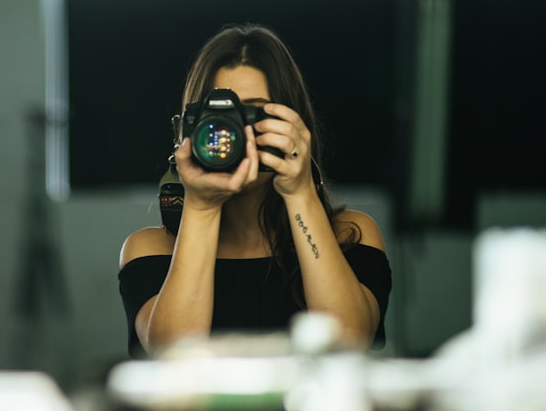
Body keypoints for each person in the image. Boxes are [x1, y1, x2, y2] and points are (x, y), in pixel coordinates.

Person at [118, 23, 391, 358]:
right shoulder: (151, 249)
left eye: (253, 114)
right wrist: (202, 207)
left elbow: (350, 342)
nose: (234, 134)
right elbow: (172, 354)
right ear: (188, 130)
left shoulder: (351, 234)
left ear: (295, 126)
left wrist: (300, 192)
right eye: (217, 116)